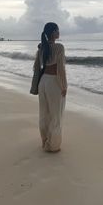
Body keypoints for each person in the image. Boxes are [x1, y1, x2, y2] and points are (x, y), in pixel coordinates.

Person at [32, 22, 67, 152]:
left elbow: (36, 68)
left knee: (44, 113)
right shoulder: (59, 47)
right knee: (56, 115)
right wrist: (64, 86)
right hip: (54, 83)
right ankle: (53, 146)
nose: (59, 32)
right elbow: (61, 69)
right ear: (52, 33)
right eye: (57, 30)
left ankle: (45, 141)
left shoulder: (41, 48)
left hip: (43, 82)